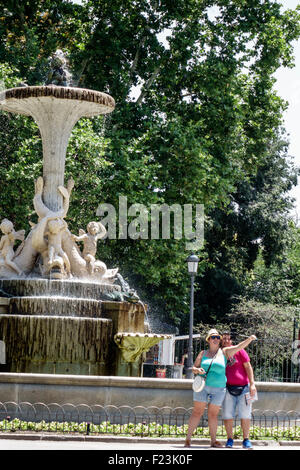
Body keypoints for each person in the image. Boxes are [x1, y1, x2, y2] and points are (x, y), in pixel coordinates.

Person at [184, 329, 257, 448]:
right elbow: (193, 367)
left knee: (213, 414)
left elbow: (239, 347)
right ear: (208, 339)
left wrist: (249, 339)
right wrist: (196, 370)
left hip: (220, 388)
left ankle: (213, 441)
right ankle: (188, 439)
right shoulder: (202, 353)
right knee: (197, 412)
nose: (216, 339)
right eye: (213, 337)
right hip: (203, 386)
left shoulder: (224, 352)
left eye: (218, 337)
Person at [222, 331, 257, 450]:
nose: (226, 341)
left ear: (231, 341)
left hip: (244, 388)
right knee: (227, 415)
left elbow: (248, 367)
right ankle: (230, 439)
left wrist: (252, 384)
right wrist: (249, 338)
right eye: (224, 339)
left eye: (228, 339)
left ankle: (246, 440)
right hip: (228, 389)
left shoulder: (241, 351)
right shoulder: (222, 353)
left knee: (245, 415)